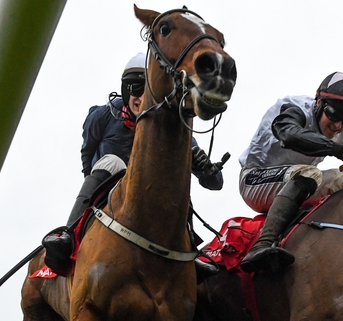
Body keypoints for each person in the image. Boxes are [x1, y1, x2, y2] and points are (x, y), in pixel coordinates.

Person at [42, 52, 224, 276]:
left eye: (150, 91)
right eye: (137, 88)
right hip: (111, 193)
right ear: (126, 90)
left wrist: (203, 165)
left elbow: (215, 183)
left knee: (172, 177)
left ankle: (188, 252)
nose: (143, 97)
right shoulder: (102, 116)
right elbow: (87, 155)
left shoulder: (175, 129)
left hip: (151, 198)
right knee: (111, 162)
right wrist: (93, 182)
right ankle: (68, 234)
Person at [238, 72, 343, 274]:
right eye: (333, 114)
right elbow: (290, 135)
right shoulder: (294, 108)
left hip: (294, 182)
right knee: (311, 174)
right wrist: (341, 151)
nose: (337, 126)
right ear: (318, 102)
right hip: (255, 180)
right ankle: (262, 245)